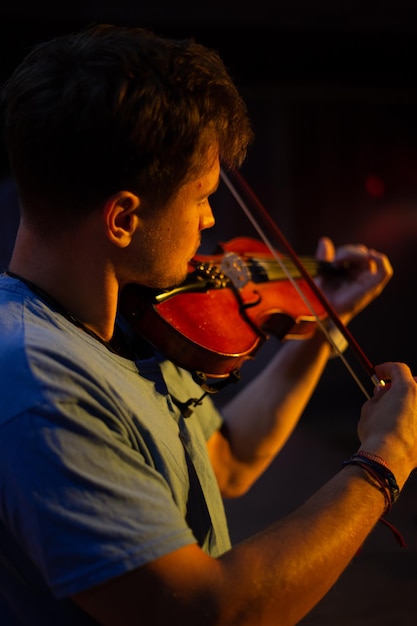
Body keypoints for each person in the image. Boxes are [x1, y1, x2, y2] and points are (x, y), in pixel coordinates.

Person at [0, 23, 416, 626]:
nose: (211, 218)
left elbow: (229, 459)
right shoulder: (41, 383)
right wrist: (383, 464)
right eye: (201, 197)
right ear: (122, 218)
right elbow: (206, 611)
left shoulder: (105, 328)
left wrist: (328, 318)